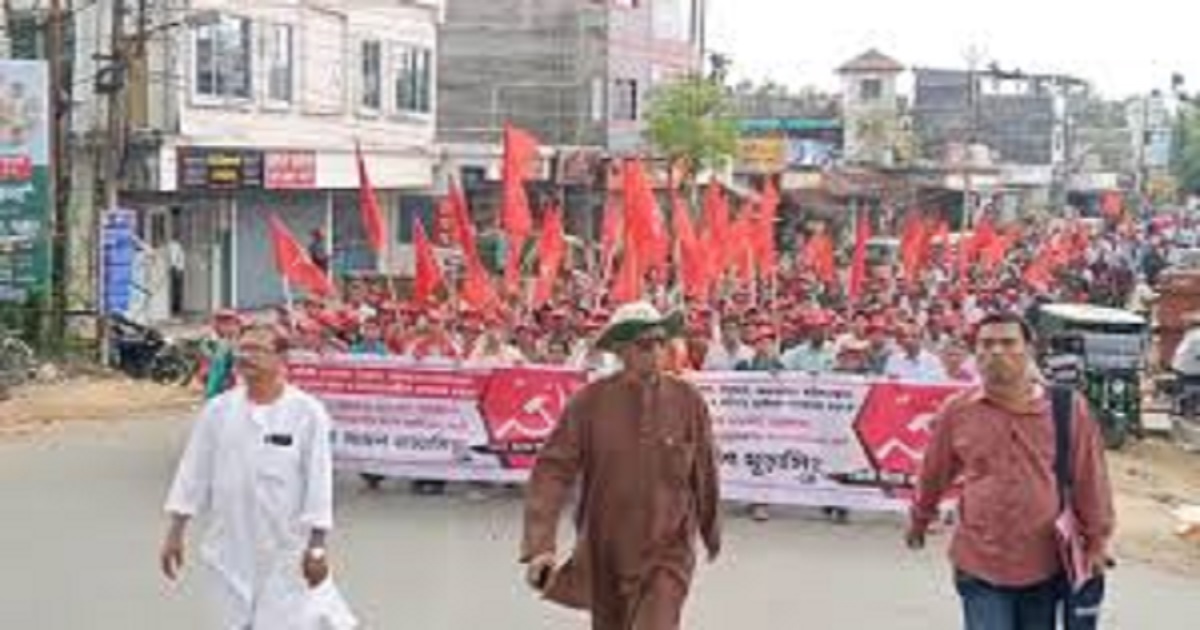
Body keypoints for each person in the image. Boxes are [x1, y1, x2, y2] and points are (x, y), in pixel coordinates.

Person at [906, 312, 1114, 630]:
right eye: (986, 344)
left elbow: (1090, 479)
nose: (996, 352)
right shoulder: (957, 411)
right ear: (976, 353)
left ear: (1029, 349)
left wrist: (1097, 541)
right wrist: (920, 518)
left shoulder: (1067, 408)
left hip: (1044, 562)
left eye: (1007, 342)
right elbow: (934, 471)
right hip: (979, 559)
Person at [522, 302, 721, 630]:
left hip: (668, 549)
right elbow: (552, 472)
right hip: (607, 549)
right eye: (645, 345)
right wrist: (540, 546)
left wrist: (710, 530)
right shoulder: (588, 403)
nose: (656, 351)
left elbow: (704, 469)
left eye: (661, 342)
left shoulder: (688, 401)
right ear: (621, 350)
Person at [160, 324, 356, 629]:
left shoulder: (307, 413)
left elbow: (319, 483)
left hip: (287, 547)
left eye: (256, 350)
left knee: (301, 619)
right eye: (242, 349)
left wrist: (317, 547)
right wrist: (175, 532)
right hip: (229, 546)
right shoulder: (218, 410)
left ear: (281, 358)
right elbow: (193, 471)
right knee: (236, 620)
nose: (245, 356)